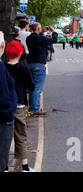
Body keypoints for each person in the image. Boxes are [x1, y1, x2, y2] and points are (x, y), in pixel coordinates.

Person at [5, 42, 35, 172]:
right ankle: (25, 167)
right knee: (21, 136)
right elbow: (32, 87)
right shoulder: (24, 69)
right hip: (19, 105)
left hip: (4, 106)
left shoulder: (2, 68)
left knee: (4, 137)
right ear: (20, 53)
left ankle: (4, 167)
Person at [26, 23, 57, 116]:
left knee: (32, 88)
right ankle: (35, 109)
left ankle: (32, 107)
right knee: (37, 89)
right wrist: (54, 31)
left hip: (30, 64)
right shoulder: (41, 39)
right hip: (39, 65)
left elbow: (37, 38)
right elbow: (54, 40)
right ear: (38, 29)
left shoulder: (29, 38)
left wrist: (41, 32)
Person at [0, 31, 17, 172]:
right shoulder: (0, 67)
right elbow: (4, 97)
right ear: (2, 45)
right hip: (3, 121)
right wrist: (9, 117)